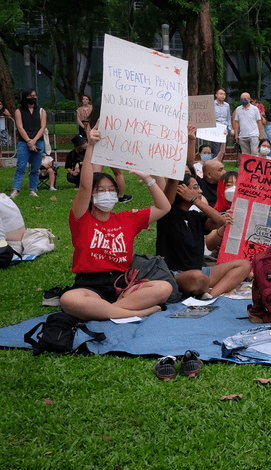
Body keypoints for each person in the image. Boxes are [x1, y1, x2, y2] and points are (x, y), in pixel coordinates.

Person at [60, 127, 173, 321]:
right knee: (69, 300)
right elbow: (85, 185)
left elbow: (164, 208)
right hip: (89, 285)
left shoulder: (127, 219)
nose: (108, 194)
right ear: (92, 195)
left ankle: (109, 311)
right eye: (101, 190)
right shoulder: (81, 218)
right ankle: (136, 312)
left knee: (164, 287)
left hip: (122, 284)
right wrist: (91, 148)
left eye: (112, 190)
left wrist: (148, 179)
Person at [156, 173, 250, 298]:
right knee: (198, 277)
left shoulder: (196, 216)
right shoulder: (168, 213)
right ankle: (205, 289)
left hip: (201, 272)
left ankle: (211, 295)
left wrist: (195, 200)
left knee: (245, 265)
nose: (200, 191)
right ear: (181, 190)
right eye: (195, 187)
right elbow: (171, 185)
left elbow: (219, 221)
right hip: (175, 275)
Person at [12, 90, 46, 198]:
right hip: (23, 142)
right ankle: (15, 190)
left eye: (35, 96)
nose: (33, 98)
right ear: (25, 97)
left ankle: (33, 189)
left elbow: (43, 127)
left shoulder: (41, 111)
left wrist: (34, 141)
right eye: (31, 96)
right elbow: (20, 127)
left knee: (35, 168)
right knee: (21, 167)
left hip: (38, 141)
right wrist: (29, 141)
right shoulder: (19, 111)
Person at [232, 92, 265, 157]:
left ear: (249, 99)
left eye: (245, 99)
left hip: (254, 134)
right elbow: (236, 122)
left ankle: (254, 167)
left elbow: (259, 122)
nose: (243, 100)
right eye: (242, 99)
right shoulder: (238, 109)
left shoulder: (255, 109)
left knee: (254, 154)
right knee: (245, 155)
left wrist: (260, 135)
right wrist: (236, 134)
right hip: (242, 135)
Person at [210, 87, 232, 157]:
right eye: (221, 94)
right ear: (216, 95)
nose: (223, 96)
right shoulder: (212, 104)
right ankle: (215, 165)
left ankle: (220, 164)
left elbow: (228, 118)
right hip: (215, 129)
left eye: (224, 94)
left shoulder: (227, 105)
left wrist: (229, 128)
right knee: (216, 149)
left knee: (222, 150)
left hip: (224, 130)